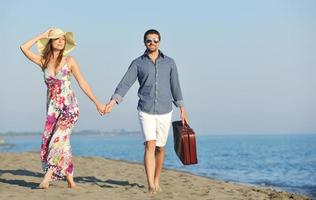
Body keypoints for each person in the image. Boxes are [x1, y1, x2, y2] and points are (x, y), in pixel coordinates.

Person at [104, 29, 189, 194]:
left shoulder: (170, 62)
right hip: (145, 109)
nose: (152, 43)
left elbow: (175, 86)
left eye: (155, 40)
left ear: (160, 42)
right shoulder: (138, 63)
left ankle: (157, 179)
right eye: (149, 40)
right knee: (150, 144)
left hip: (165, 110)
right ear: (144, 43)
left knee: (160, 148)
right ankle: (150, 184)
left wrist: (182, 109)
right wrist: (112, 102)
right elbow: (125, 84)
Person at [20, 28, 105, 189]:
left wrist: (97, 102)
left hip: (69, 107)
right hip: (53, 110)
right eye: (56, 38)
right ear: (50, 42)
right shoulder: (43, 61)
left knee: (56, 139)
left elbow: (83, 83)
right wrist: (43, 35)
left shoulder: (70, 60)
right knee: (63, 142)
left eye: (63, 39)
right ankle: (70, 180)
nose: (60, 41)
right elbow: (23, 47)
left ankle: (47, 177)